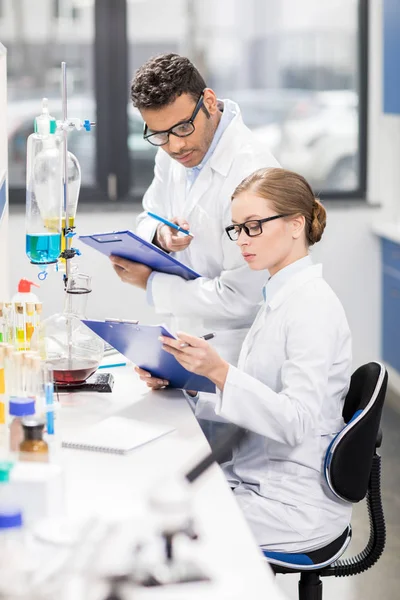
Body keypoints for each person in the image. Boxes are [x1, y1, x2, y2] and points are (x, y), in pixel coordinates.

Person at [139, 167, 353, 552]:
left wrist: (219, 372)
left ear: (295, 225)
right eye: (236, 228)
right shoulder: (278, 297)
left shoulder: (313, 307)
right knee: (154, 499)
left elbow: (295, 423)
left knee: (160, 527)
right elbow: (258, 401)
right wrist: (185, 381)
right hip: (258, 479)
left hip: (293, 503)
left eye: (253, 226)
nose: (241, 240)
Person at [110, 53, 279, 395]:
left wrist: (151, 283)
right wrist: (160, 235)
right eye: (159, 135)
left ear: (210, 102)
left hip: (238, 361)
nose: (175, 145)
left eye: (183, 128)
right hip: (185, 349)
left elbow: (239, 299)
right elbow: (149, 214)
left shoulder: (253, 174)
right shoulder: (172, 149)